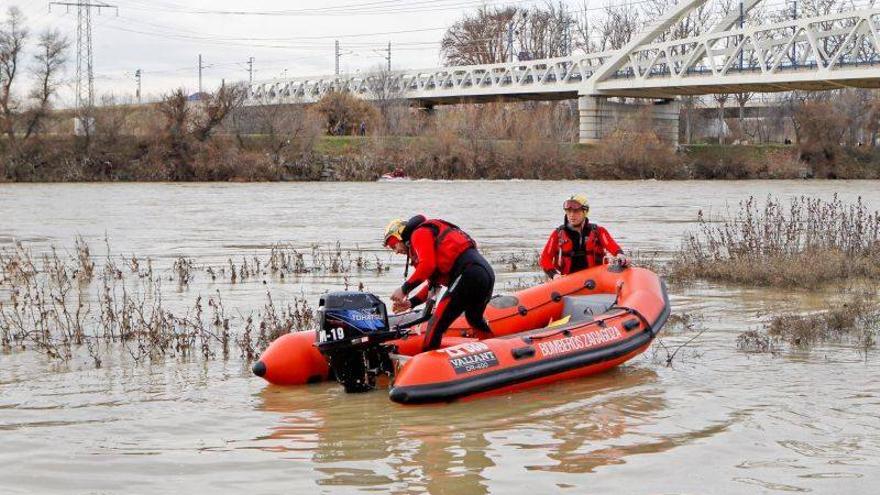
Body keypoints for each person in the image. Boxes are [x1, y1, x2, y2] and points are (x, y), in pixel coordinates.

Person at [384, 215, 495, 351]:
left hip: (468, 274)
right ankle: (495, 351)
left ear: (401, 236)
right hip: (484, 274)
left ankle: (428, 367)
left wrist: (404, 289)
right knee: (474, 318)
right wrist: (410, 303)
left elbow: (428, 266)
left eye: (394, 245)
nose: (396, 251)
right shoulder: (427, 237)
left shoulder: (418, 233)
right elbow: (433, 285)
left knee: (435, 325)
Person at [539, 194, 626, 279]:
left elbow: (612, 246)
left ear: (585, 212)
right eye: (569, 211)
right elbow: (545, 259)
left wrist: (620, 255)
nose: (572, 215)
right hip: (568, 280)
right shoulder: (557, 234)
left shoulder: (598, 231)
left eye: (576, 211)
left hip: (596, 279)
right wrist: (554, 275)